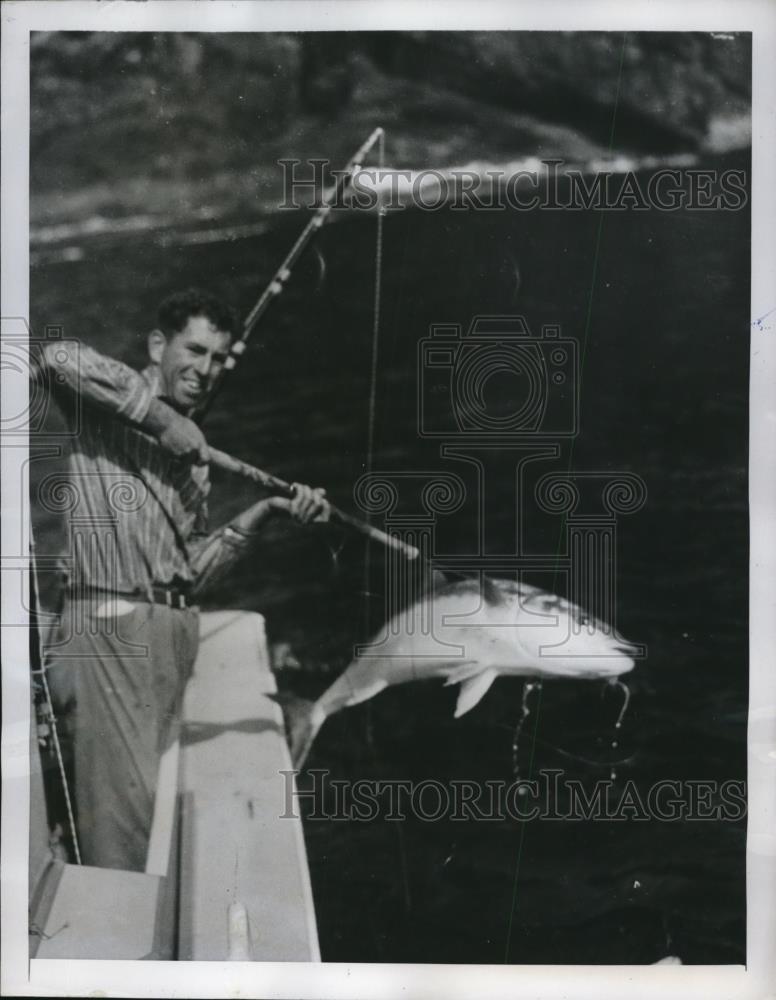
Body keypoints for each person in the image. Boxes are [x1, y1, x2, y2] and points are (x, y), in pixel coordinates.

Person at [36, 288, 329, 871]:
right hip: (110, 632)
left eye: (218, 358)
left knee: (144, 813)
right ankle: (120, 949)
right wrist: (159, 417)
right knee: (124, 828)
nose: (205, 369)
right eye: (194, 350)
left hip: (168, 643)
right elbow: (54, 358)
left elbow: (189, 570)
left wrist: (264, 514)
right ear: (157, 346)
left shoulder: (195, 462)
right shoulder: (107, 403)